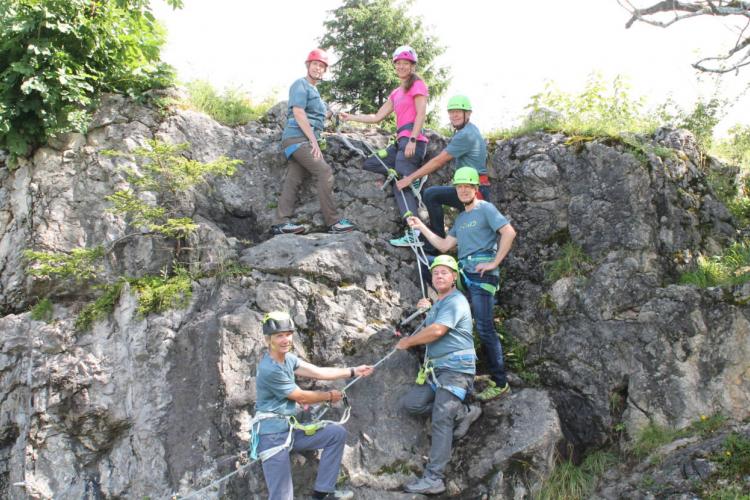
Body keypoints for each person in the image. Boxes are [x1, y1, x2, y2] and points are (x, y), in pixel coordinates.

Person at [407, 167, 517, 401]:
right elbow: (445, 246)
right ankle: (460, 369)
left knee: (485, 327)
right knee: (457, 317)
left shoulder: (485, 208)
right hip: (465, 274)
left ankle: (500, 382)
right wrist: (421, 227)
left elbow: (509, 233)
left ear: (476, 189)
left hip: (481, 275)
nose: (463, 190)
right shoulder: (462, 218)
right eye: (459, 186)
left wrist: (494, 262)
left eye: (468, 186)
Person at [253, 311, 374, 499]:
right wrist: (329, 396)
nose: (285, 339)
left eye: (288, 334)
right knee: (282, 497)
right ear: (269, 339)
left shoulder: (288, 359)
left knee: (335, 434)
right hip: (272, 436)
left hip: (291, 430)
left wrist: (352, 371)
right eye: (279, 336)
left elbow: (318, 372)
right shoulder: (269, 368)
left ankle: (323, 493)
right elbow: (301, 397)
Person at [395, 255, 482, 495]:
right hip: (437, 372)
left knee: (441, 418)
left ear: (454, 277)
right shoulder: (440, 304)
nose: (439, 276)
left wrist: (408, 342)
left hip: (456, 370)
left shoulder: (456, 300)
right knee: (412, 404)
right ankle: (464, 412)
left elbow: (437, 331)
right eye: (435, 273)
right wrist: (427, 310)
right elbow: (432, 323)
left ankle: (434, 478)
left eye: (445, 272)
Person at [340, 45, 429, 246]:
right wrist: (350, 116)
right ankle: (411, 176)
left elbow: (421, 113)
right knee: (371, 163)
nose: (401, 67)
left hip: (411, 140)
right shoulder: (396, 93)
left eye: (405, 63)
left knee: (400, 185)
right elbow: (376, 116)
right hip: (399, 143)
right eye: (398, 63)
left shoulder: (418, 85)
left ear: (412, 66)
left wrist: (413, 139)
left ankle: (414, 233)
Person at [272, 49, 356, 236]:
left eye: (322, 66)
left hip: (299, 140)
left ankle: (280, 222)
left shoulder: (315, 92)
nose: (318, 68)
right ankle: (333, 222)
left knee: (294, 179)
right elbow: (299, 113)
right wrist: (313, 142)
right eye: (315, 64)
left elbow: (318, 115)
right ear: (308, 65)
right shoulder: (300, 84)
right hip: (298, 138)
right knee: (324, 172)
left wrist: (333, 114)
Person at [396, 95, 490, 239]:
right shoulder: (471, 130)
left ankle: (436, 239)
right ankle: (441, 242)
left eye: (459, 111)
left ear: (468, 113)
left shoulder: (465, 135)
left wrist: (410, 178)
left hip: (473, 190)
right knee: (470, 233)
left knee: (431, 195)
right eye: (451, 112)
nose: (454, 115)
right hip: (473, 187)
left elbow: (439, 161)